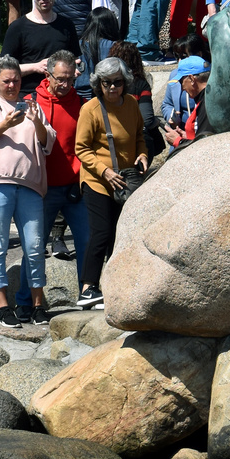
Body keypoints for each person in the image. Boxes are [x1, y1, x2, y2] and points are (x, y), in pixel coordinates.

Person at [0, 55, 53, 327]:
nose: (12, 85)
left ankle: (37, 304)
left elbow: (48, 143)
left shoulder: (32, 106)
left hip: (30, 184)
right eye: (6, 80)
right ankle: (2, 305)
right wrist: (5, 124)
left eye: (16, 80)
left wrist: (36, 120)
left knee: (35, 245)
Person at [73, 55, 148, 309]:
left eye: (117, 82)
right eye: (106, 83)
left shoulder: (132, 105)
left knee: (121, 234)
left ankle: (116, 285)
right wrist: (104, 171)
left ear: (125, 82)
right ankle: (87, 288)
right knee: (102, 232)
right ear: (98, 84)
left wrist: (143, 154)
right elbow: (81, 149)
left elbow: (139, 136)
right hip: (97, 180)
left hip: (125, 179)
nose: (112, 88)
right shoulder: (90, 109)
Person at [33, 50, 90, 279]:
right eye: (60, 79)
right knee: (35, 246)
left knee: (87, 241)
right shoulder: (33, 103)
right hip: (43, 189)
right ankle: (29, 301)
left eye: (70, 79)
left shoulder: (82, 104)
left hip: (75, 188)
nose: (66, 84)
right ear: (48, 75)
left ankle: (88, 291)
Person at [3, 0, 80, 96]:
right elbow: (4, 69)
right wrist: (35, 67)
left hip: (61, 95)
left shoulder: (66, 25)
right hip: (28, 95)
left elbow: (76, 60)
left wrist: (75, 69)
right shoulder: (18, 27)